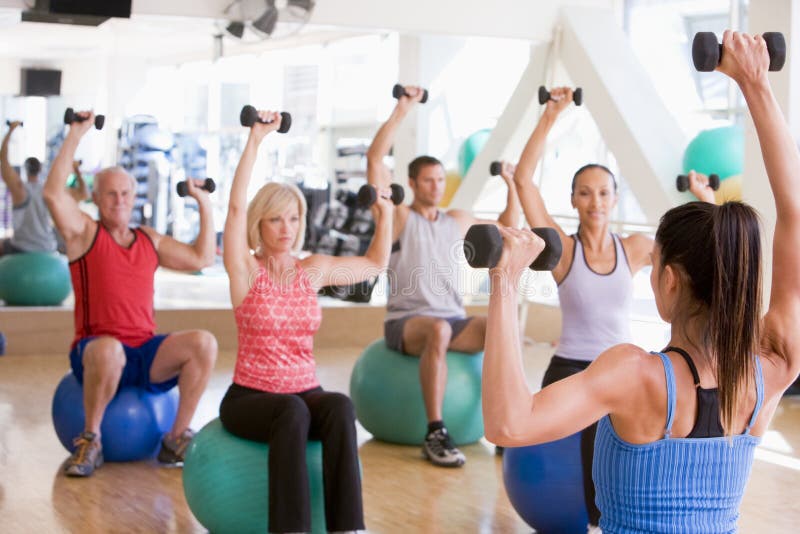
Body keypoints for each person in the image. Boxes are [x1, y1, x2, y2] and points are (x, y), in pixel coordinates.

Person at [483, 31, 800, 533]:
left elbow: (507, 425)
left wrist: (503, 283)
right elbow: (795, 215)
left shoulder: (631, 374)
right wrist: (755, 85)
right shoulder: (771, 371)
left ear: (667, 280)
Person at [219, 109, 393, 533]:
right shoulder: (246, 271)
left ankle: (349, 527)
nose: (286, 227)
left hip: (302, 390)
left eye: (293, 218)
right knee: (292, 412)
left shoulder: (310, 270)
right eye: (275, 218)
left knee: (339, 406)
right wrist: (255, 141)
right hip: (250, 398)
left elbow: (374, 264)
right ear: (260, 223)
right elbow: (236, 205)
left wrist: (385, 217)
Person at [43, 111, 218, 477]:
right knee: (109, 349)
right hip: (95, 349)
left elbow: (200, 257)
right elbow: (52, 193)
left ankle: (174, 440)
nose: (119, 200)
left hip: (143, 351)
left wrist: (203, 203)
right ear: (96, 196)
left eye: (125, 193)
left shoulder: (148, 239)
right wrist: (76, 133)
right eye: (110, 194)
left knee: (204, 343)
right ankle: (91, 440)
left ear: (134, 196)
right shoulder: (85, 234)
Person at [512, 86, 654, 528]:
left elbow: (691, 250)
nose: (595, 202)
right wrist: (550, 116)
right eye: (585, 193)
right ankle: (596, 520)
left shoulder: (634, 249)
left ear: (614, 200)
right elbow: (523, 180)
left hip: (620, 367)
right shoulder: (564, 252)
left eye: (604, 193)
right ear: (573, 199)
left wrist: (707, 199)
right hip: (571, 367)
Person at [367, 86, 520, 467]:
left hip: (452, 319)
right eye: (428, 181)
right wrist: (403, 108)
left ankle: (505, 422)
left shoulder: (456, 220)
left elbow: (508, 226)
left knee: (500, 324)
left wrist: (512, 183)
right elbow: (373, 161)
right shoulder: (400, 217)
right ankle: (435, 431)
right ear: (414, 183)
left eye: (439, 180)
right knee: (438, 331)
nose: (436, 186)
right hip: (407, 322)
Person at [0, 121, 57, 256]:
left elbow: (3, 159)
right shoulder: (49, 189)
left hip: (21, 248)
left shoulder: (20, 189)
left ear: (25, 169)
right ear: (40, 169)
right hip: (47, 246)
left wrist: (11, 130)